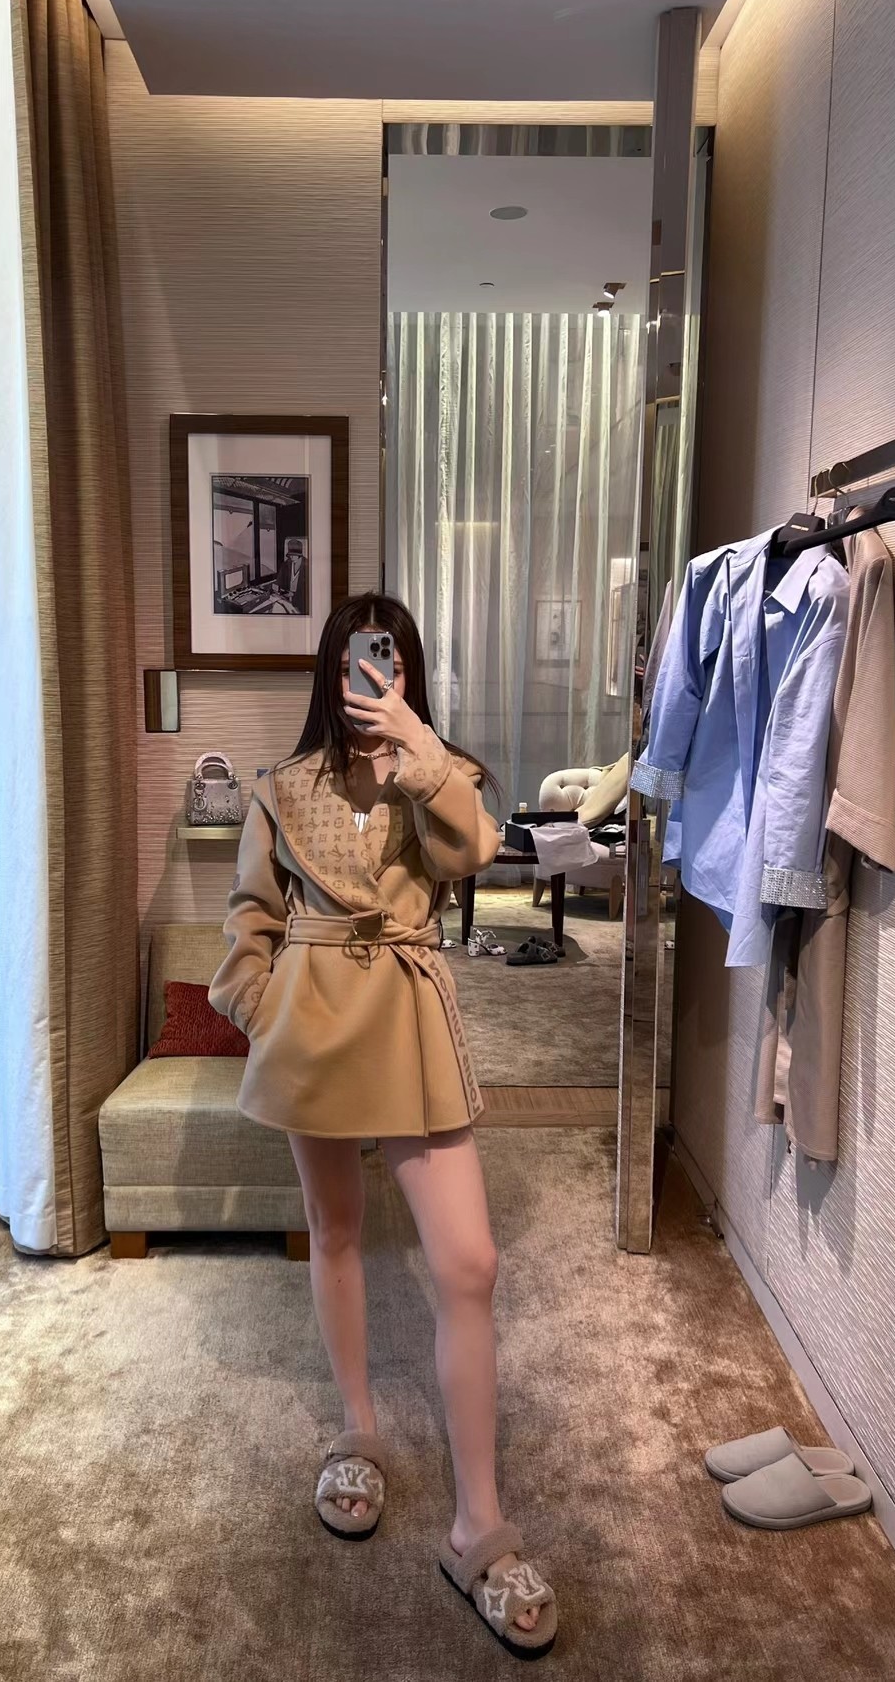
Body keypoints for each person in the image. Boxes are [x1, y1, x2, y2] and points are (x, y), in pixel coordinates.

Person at [209, 592, 558, 1659]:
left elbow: (475, 850)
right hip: (312, 1019)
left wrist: (418, 746)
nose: (373, 675)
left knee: (469, 1261)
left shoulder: (436, 773)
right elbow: (251, 914)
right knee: (338, 1230)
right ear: (331, 669)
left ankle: (476, 1521)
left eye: (392, 661)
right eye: (359, 660)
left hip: (407, 1012)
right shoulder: (281, 787)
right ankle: (358, 1428)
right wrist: (262, 1004)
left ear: (408, 673)